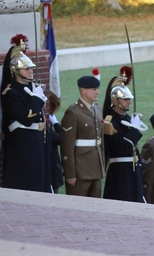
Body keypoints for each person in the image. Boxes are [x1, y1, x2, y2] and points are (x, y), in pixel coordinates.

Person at [1, 34, 51, 193]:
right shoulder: (10, 92)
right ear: (15, 69)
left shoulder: (30, 88)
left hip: (37, 142)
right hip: (22, 144)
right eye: (27, 69)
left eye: (31, 68)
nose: (31, 71)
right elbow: (26, 117)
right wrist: (36, 99)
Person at [102, 67, 147, 202]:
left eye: (129, 98)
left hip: (133, 170)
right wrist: (135, 130)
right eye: (125, 99)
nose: (129, 102)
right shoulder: (110, 121)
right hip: (120, 172)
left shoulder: (127, 118)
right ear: (115, 101)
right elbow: (121, 148)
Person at [59, 73, 106, 198]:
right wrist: (70, 174)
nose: (98, 92)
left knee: (95, 206)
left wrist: (102, 167)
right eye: (94, 89)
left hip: (96, 168)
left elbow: (100, 142)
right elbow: (67, 146)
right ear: (83, 91)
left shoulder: (98, 110)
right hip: (80, 171)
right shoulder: (73, 113)